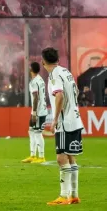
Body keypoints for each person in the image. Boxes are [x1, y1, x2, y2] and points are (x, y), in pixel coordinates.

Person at [42, 47, 83, 205]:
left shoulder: (54, 75)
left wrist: (55, 119)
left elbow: (59, 95)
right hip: (75, 118)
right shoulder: (66, 71)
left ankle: (63, 196)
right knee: (71, 157)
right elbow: (76, 91)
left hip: (65, 122)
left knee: (61, 158)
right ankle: (73, 195)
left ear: (43, 61)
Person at [21, 62, 47, 164]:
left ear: (31, 69)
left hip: (39, 112)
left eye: (29, 67)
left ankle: (41, 156)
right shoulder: (40, 79)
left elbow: (36, 97)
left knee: (37, 133)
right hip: (37, 110)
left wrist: (35, 113)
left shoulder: (34, 82)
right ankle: (32, 155)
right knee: (31, 131)